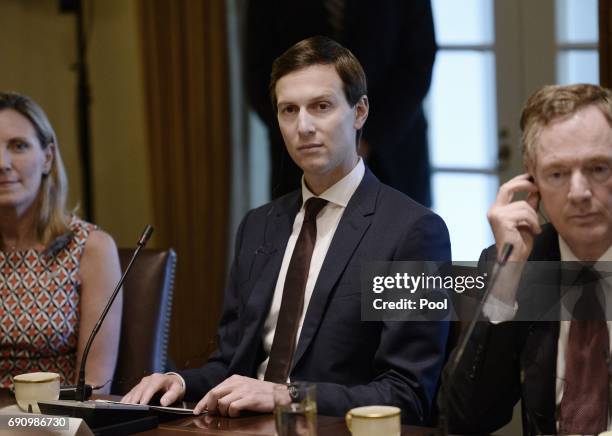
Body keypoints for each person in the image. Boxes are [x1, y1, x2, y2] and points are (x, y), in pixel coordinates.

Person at [123, 36, 450, 423]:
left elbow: (406, 393)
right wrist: (179, 381)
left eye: (321, 106)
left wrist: (287, 396)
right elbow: (230, 364)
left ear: (359, 111)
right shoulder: (259, 225)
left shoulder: (412, 232)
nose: (304, 126)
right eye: (288, 110)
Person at [446, 84, 612, 434]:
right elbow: (466, 418)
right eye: (557, 174)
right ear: (531, 181)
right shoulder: (522, 264)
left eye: (598, 168)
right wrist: (506, 283)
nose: (579, 192)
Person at [246, 0, 436, 206]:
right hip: (300, 163)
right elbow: (259, 75)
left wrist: (362, 137)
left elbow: (419, 60)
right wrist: (302, 133)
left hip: (392, 150)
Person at [0, 92, 122, 392]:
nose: (2, 163)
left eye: (18, 146)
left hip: (52, 420)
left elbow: (95, 387)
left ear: (48, 158)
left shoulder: (90, 248)